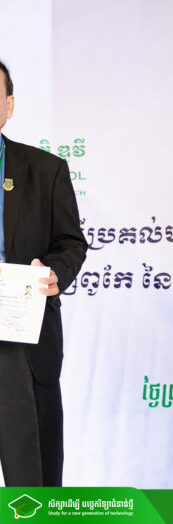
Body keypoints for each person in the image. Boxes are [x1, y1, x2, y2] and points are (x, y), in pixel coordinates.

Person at [0, 59, 88, 486]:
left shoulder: (45, 169)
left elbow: (71, 243)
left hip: (23, 338)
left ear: (9, 104)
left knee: (32, 484)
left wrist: (54, 273)